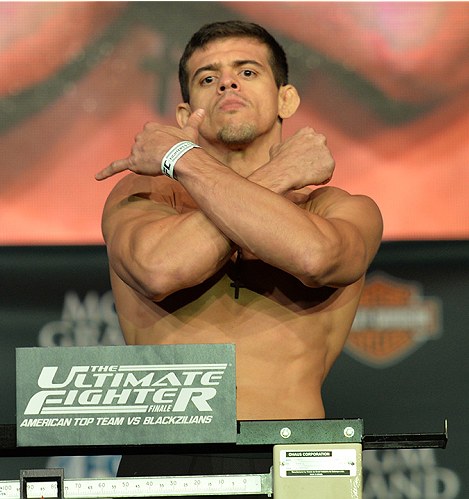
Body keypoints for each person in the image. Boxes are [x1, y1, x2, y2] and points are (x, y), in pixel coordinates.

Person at [95, 20, 382, 490]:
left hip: (300, 455)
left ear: (286, 98)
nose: (226, 82)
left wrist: (182, 158)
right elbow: (161, 268)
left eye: (247, 72)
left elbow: (315, 258)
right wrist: (277, 172)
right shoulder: (146, 194)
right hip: (169, 453)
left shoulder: (338, 209)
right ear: (188, 112)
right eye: (208, 78)